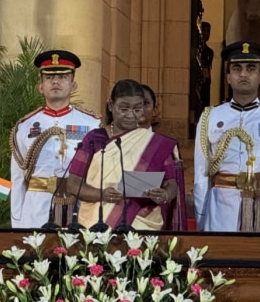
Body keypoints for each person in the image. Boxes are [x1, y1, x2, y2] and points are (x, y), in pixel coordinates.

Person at [194, 41, 260, 232]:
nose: (243, 74)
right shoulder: (211, 116)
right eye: (236, 68)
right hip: (222, 207)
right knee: (221, 260)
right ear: (228, 77)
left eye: (251, 68)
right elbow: (201, 173)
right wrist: (201, 218)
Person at [66, 79, 187, 231]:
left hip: (142, 223)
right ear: (111, 106)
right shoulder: (95, 139)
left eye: (137, 109)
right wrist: (102, 194)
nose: (131, 115)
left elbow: (172, 184)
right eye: (124, 109)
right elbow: (73, 185)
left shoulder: (155, 143)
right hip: (97, 222)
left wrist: (164, 195)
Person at [10, 50, 101, 228]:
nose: (56, 81)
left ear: (73, 85)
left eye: (63, 76)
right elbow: (18, 178)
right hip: (37, 206)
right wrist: (18, 222)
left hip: (79, 204)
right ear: (41, 86)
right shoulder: (25, 126)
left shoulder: (92, 124)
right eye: (49, 77)